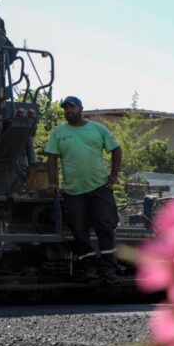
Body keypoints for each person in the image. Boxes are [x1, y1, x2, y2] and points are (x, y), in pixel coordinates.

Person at [45, 95, 123, 285]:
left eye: (72, 107)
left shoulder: (97, 129)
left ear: (81, 109)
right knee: (79, 231)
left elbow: (116, 149)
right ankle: (89, 269)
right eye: (66, 108)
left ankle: (109, 270)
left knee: (105, 227)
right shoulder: (59, 132)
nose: (68, 111)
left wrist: (113, 175)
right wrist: (53, 182)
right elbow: (52, 158)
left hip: (100, 187)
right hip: (73, 191)